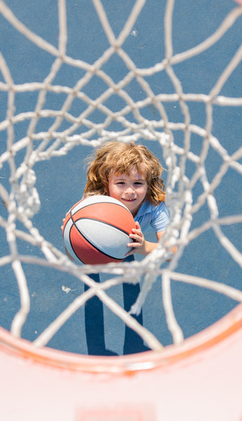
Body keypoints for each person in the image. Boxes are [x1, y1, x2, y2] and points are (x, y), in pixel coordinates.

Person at [82, 141, 170, 355]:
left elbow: (171, 251)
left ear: (149, 185)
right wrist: (74, 234)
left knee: (130, 254)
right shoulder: (96, 204)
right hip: (103, 227)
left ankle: (130, 246)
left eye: (138, 183)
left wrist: (143, 247)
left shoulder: (155, 206)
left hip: (135, 237)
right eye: (120, 183)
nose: (129, 191)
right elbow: (73, 241)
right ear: (107, 184)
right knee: (90, 264)